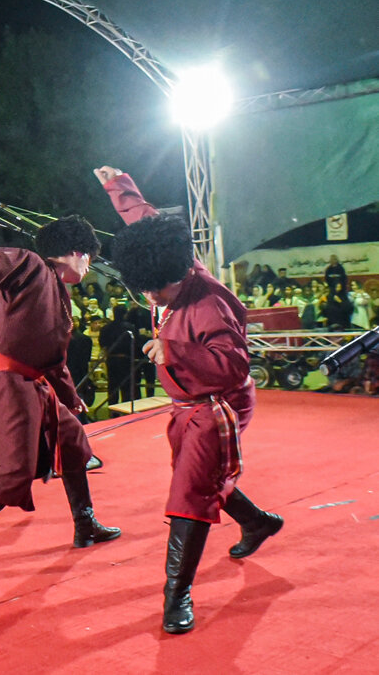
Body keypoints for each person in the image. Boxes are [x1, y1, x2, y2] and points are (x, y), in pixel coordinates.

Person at [98, 165, 283, 635]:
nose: (148, 295)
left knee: (188, 492)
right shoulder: (173, 263)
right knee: (203, 479)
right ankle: (258, 523)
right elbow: (150, 224)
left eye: (153, 287)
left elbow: (234, 366)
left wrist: (176, 351)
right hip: (188, 405)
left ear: (175, 273)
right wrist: (120, 188)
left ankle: (176, 595)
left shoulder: (209, 303)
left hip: (217, 406)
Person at [0, 215, 121, 590]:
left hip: (30, 383)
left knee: (72, 440)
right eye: (89, 259)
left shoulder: (58, 293)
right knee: (14, 471)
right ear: (79, 253)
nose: (89, 267)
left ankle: (85, 523)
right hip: (6, 382)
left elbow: (54, 361)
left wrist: (70, 399)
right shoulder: (31, 265)